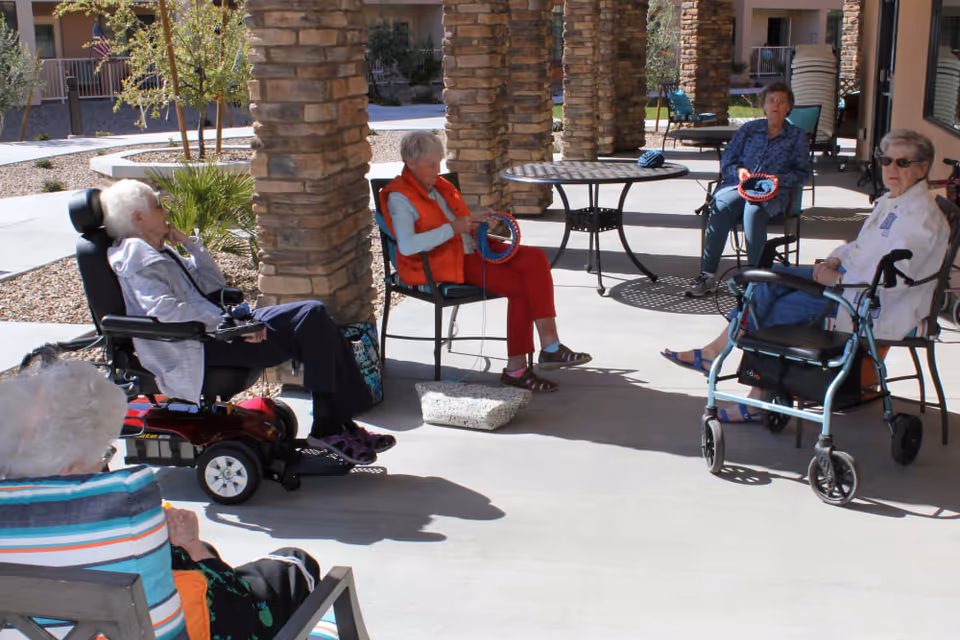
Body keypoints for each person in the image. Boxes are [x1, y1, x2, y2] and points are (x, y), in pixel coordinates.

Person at [0, 361, 324, 640]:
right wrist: (194, 547)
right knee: (294, 564)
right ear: (69, 469)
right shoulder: (126, 522)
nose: (104, 464)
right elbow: (232, 608)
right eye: (100, 453)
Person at [99, 179, 391, 465]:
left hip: (215, 331)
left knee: (313, 314)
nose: (166, 211)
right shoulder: (135, 255)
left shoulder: (158, 250)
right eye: (158, 206)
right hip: (198, 346)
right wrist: (226, 325)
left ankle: (336, 422)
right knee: (311, 322)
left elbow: (214, 284)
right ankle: (330, 425)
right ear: (138, 216)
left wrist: (190, 244)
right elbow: (164, 310)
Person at [664, 129, 948, 422]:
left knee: (771, 306)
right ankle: (726, 362)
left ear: (923, 168)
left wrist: (837, 280)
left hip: (868, 302)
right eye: (886, 160)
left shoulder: (920, 218)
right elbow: (863, 247)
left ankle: (752, 392)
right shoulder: (893, 200)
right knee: (764, 279)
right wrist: (835, 259)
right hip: (850, 279)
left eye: (903, 163)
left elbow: (897, 278)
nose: (891, 169)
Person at [381, 131, 591, 392]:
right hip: (444, 262)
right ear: (410, 163)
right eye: (431, 164)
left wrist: (478, 222)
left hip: (472, 250)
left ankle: (550, 345)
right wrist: (454, 228)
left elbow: (458, 223)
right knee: (519, 286)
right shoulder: (398, 197)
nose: (438, 169)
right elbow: (408, 245)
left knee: (535, 257)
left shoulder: (438, 187)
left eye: (439, 162)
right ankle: (517, 370)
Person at [688, 81, 812, 297]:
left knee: (753, 210)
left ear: (788, 107)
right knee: (720, 205)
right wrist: (740, 172)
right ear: (764, 105)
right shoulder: (749, 129)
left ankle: (756, 280)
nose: (776, 105)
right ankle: (707, 276)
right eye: (771, 100)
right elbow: (728, 159)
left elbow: (803, 173)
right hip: (740, 185)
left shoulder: (796, 136)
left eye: (781, 101)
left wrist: (778, 179)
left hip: (774, 191)